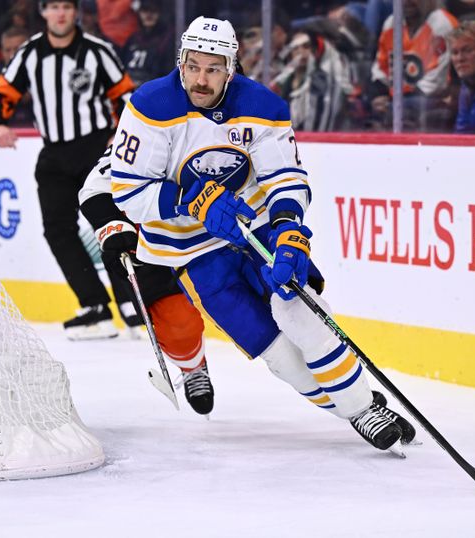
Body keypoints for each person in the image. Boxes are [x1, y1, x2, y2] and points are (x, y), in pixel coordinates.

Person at [110, 16, 416, 452]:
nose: (201, 78)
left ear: (231, 67)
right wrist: (189, 201)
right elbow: (129, 187)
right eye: (193, 66)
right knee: (279, 356)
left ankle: (364, 410)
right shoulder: (151, 105)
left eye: (213, 69)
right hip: (192, 253)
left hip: (255, 230)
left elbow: (286, 174)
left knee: (301, 312)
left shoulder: (262, 105)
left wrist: (289, 226)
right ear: (181, 61)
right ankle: (360, 406)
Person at [0, 0, 134, 340]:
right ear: (43, 12)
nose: (61, 13)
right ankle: (94, 304)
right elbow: (1, 93)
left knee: (110, 224)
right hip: (54, 152)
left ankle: (130, 302)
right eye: (53, 6)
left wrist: (120, 134)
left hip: (96, 149)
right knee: (57, 229)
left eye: (66, 6)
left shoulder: (97, 51)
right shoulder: (30, 53)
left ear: (76, 11)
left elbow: (125, 95)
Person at [79, 147, 214, 414]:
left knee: (260, 308)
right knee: (178, 327)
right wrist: (111, 224)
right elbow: (95, 188)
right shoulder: (138, 136)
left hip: (209, 235)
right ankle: (192, 365)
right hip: (149, 249)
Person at [368, 0, 458, 132]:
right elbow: (381, 69)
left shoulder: (442, 23)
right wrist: (378, 96)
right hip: (398, 100)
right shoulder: (391, 23)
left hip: (434, 100)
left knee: (404, 110)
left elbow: (436, 83)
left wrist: (394, 103)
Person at [270, 30, 354, 131]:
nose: (301, 52)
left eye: (306, 47)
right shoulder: (283, 81)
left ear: (314, 51)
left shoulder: (321, 80)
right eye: (295, 48)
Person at [121, 0, 175, 87]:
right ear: (139, 13)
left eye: (153, 11)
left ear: (160, 13)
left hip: (152, 89)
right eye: (145, 10)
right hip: (128, 88)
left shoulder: (167, 40)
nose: (149, 15)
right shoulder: (133, 39)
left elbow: (167, 74)